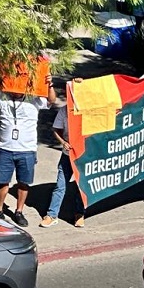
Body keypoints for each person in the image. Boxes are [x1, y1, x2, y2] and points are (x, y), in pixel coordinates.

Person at [0, 73, 58, 226]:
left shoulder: (34, 99)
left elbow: (51, 100)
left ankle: (19, 212)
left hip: (27, 149)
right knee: (3, 182)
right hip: (6, 148)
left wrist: (49, 84)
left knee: (23, 183)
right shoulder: (4, 97)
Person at [40, 83, 86, 227]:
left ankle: (79, 214)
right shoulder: (64, 111)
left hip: (83, 155)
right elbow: (55, 129)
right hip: (67, 154)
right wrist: (63, 142)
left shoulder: (88, 110)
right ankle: (52, 215)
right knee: (60, 185)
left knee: (81, 186)